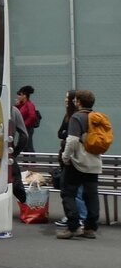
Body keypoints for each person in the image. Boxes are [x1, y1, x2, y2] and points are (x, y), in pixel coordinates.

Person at [57, 89, 102, 239]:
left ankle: (73, 226)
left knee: (67, 192)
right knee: (91, 195)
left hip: (78, 163)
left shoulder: (77, 117)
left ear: (79, 102)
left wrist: (65, 157)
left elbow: (72, 141)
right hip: (94, 163)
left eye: (75, 100)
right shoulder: (97, 117)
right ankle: (90, 228)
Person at [54, 90, 87, 227]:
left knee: (75, 190)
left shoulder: (76, 116)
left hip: (74, 157)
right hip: (67, 156)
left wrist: (67, 135)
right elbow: (60, 133)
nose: (65, 100)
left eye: (67, 97)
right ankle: (72, 215)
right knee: (69, 190)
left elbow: (71, 137)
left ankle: (80, 217)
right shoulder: (68, 115)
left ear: (75, 100)